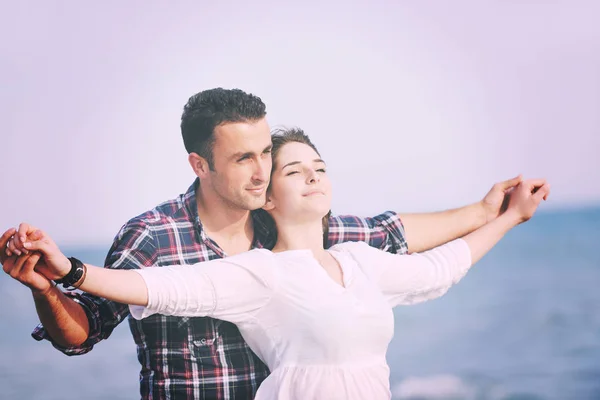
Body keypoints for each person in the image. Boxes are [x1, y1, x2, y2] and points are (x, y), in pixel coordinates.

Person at [1, 88, 531, 400]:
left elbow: (400, 237)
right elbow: (82, 332)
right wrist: (55, 281)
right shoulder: (153, 236)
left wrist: (488, 212)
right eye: (244, 159)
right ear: (200, 164)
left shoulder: (311, 237)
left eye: (266, 154)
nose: (263, 172)